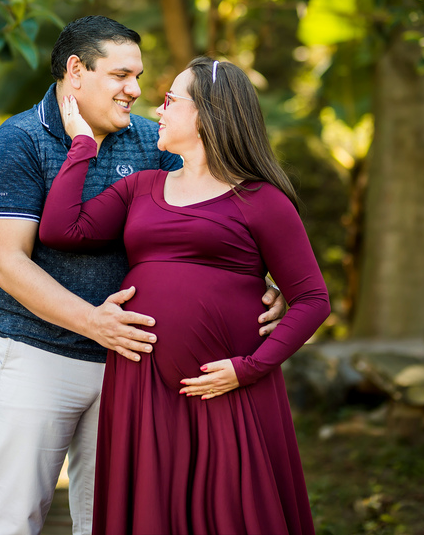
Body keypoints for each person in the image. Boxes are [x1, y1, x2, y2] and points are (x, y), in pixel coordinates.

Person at [0, 18, 286, 535]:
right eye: (121, 75)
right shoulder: (18, 142)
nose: (135, 90)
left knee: (110, 519)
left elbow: (211, 210)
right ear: (76, 71)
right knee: (14, 514)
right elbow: (9, 265)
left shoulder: (150, 139)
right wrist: (94, 322)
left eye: (138, 76)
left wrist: (258, 279)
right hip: (37, 354)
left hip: (131, 364)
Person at [39, 56, 331, 535]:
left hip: (227, 388)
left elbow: (312, 299)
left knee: (233, 515)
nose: (158, 108)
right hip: (143, 387)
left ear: (208, 113)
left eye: (171, 99)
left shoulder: (262, 201)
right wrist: (83, 144)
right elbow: (60, 228)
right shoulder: (142, 187)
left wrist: (247, 370)